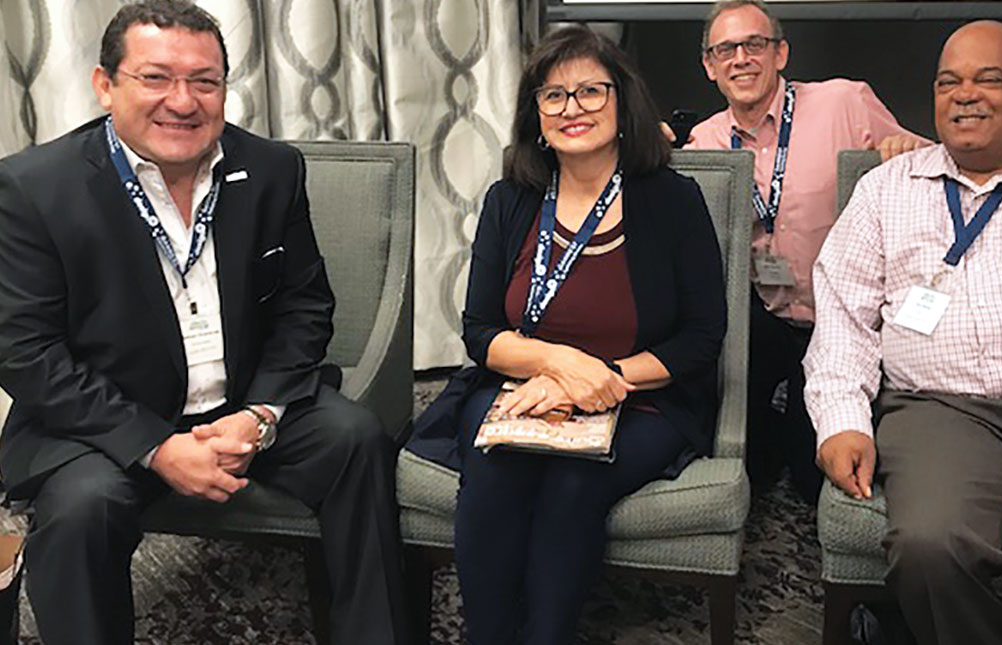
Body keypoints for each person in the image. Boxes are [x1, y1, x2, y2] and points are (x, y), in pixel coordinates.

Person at [0, 2, 407, 643]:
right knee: (82, 507)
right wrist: (157, 447)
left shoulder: (272, 169)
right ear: (105, 85)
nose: (182, 102)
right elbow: (26, 352)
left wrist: (260, 415)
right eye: (155, 78)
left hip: (242, 406)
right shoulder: (33, 188)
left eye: (205, 81)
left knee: (354, 439)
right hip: (111, 421)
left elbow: (305, 307)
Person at [806, 20, 1002, 644]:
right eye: (948, 82)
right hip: (941, 410)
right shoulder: (884, 192)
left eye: (988, 79)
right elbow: (844, 314)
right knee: (931, 548)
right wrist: (841, 417)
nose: (965, 95)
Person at [409, 25, 726, 645]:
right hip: (520, 388)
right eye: (552, 96)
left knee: (575, 480)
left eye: (589, 91)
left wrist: (598, 382)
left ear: (622, 100)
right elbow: (480, 332)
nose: (571, 108)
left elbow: (699, 338)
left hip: (644, 399)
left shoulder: (672, 201)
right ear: (536, 114)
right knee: (494, 466)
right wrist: (558, 365)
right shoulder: (511, 200)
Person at [685, 0, 929, 503]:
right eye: (725, 49)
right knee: (732, 452)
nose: (741, 59)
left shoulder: (844, 103)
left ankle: (795, 433)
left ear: (780, 53)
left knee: (812, 476)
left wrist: (905, 152)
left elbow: (935, 168)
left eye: (755, 44)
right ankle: (769, 434)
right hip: (766, 316)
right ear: (710, 66)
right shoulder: (705, 140)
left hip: (843, 323)